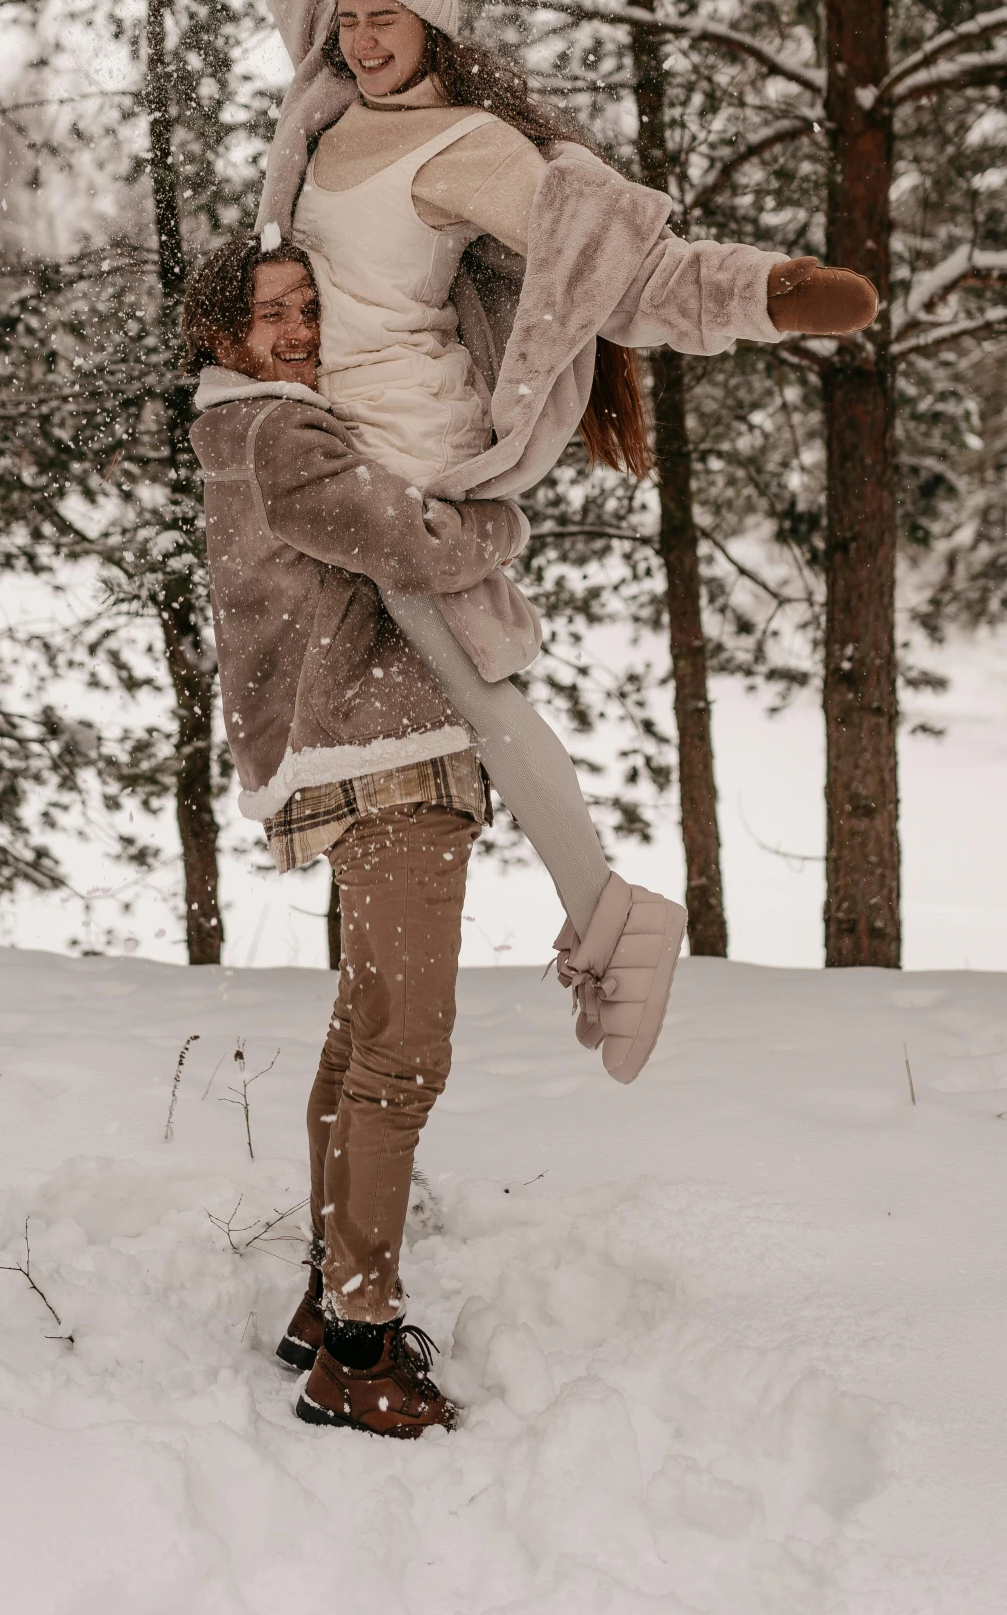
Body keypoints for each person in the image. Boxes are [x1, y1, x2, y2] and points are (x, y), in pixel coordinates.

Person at [222, 0, 878, 1029]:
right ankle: (536, 937)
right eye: (348, 17)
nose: (356, 35)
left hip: (396, 446)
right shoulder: (327, 98)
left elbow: (611, 264)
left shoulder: (467, 145)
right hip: (314, 429)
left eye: (382, 19)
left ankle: (607, 923)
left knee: (468, 681)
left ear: (431, 27)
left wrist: (764, 293)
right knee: (406, 690)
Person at [184, 234, 683, 1435]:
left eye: (309, 302)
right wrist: (499, 524)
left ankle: (325, 1297)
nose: (298, 327)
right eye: (270, 313)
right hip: (382, 754)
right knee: (403, 1057)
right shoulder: (282, 432)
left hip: (352, 751)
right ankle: (356, 1345)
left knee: (362, 1037)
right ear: (222, 335)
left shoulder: (247, 424)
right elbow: (411, 539)